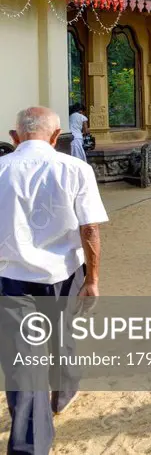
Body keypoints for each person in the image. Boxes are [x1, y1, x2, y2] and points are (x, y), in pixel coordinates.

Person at [0, 107, 106, 453]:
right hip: (63, 273)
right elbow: (89, 228)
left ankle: (30, 438)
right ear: (57, 134)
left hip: (10, 276)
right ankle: (62, 396)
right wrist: (93, 278)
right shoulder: (76, 169)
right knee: (62, 336)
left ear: (15, 137)